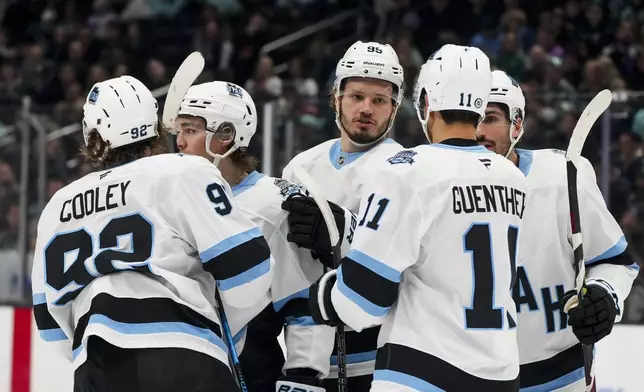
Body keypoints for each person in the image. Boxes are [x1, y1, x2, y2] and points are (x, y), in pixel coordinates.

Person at [31, 76, 273, 392]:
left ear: (93, 137)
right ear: (155, 127)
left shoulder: (58, 205)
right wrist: (225, 334)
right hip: (185, 358)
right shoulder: (184, 171)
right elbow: (249, 270)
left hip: (95, 368)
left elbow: (49, 326)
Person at [307, 44, 527, 391]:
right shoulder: (513, 178)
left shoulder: (405, 170)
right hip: (501, 372)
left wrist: (325, 296)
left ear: (425, 102)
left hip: (421, 370)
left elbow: (362, 303)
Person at [172, 81, 356, 392]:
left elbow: (303, 300)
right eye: (179, 130)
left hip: (248, 375)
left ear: (225, 136)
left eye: (190, 130)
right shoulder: (169, 198)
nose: (178, 142)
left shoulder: (273, 203)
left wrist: (303, 376)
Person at [476, 69, 639, 391]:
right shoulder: (432, 185)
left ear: (517, 125)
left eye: (491, 117)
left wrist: (604, 295)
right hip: (467, 377)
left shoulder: (561, 177)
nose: (479, 131)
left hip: (562, 378)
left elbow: (617, 263)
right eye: (470, 119)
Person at [279, 40, 406, 391]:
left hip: (379, 354)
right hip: (303, 355)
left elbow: (405, 262)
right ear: (337, 98)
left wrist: (344, 230)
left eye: (379, 100)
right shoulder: (301, 167)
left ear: (394, 109)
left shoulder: (406, 169)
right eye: (357, 97)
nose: (367, 109)